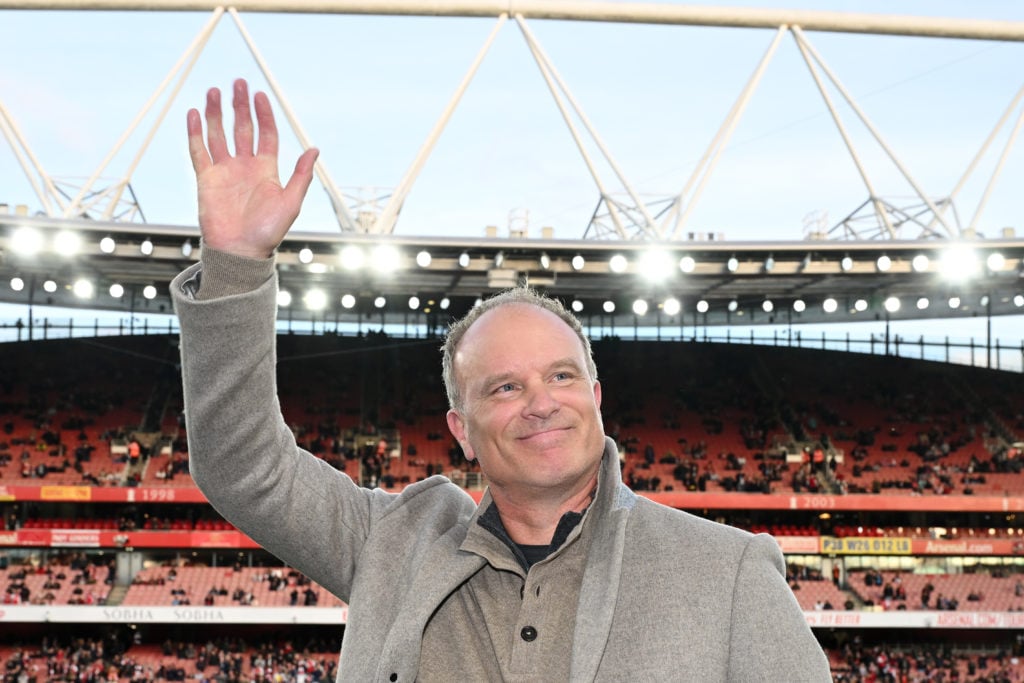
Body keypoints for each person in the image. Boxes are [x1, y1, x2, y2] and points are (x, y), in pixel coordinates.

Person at [171, 78, 831, 682]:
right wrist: (236, 266)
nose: (542, 403)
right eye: (505, 387)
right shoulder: (392, 542)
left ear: (596, 398)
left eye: (561, 375)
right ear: (461, 428)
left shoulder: (728, 570)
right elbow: (242, 464)